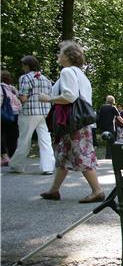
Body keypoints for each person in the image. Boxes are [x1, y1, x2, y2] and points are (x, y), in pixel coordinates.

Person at [38, 40, 105, 203]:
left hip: (74, 123)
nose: (58, 55)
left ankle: (97, 191)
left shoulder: (67, 72)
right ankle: (54, 190)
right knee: (63, 155)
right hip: (78, 122)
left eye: (60, 53)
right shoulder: (80, 74)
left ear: (68, 56)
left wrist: (49, 99)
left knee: (81, 154)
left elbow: (69, 96)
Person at [9, 55, 55, 174]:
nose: (22, 67)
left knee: (24, 139)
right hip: (44, 113)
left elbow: (23, 98)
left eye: (23, 65)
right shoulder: (46, 79)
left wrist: (15, 92)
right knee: (45, 140)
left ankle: (17, 165)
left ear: (27, 66)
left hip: (29, 112)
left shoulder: (25, 78)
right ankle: (48, 167)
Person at [1, 70, 22, 166]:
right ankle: (13, 158)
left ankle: (4, 157)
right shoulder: (12, 88)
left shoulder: (1, 87)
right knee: (12, 137)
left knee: (1, 135)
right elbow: (19, 100)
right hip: (15, 114)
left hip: (4, 114)